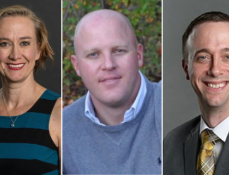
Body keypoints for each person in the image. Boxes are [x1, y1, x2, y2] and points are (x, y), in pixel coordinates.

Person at [0, 5, 61, 174]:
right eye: (5, 43)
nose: (15, 55)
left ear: (38, 50)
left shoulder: (60, 113)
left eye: (24, 43)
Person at [63, 9, 161, 174]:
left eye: (118, 51)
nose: (108, 64)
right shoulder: (61, 131)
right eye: (94, 54)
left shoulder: (168, 107)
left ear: (138, 55)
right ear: (77, 65)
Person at [164, 11, 229, 175]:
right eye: (203, 57)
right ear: (186, 68)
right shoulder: (172, 143)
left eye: (228, 56)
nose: (215, 70)